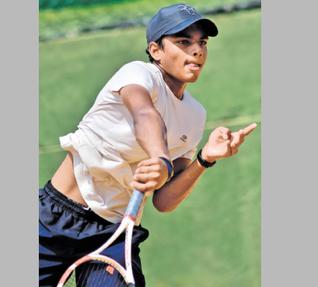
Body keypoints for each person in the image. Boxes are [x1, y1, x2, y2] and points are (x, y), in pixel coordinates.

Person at [39, 3, 257, 287]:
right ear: (156, 51)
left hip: (113, 233)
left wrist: (203, 159)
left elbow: (163, 200)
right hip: (54, 218)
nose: (197, 50)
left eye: (201, 42)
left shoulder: (195, 115)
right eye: (183, 42)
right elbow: (145, 114)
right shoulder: (138, 74)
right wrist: (161, 159)